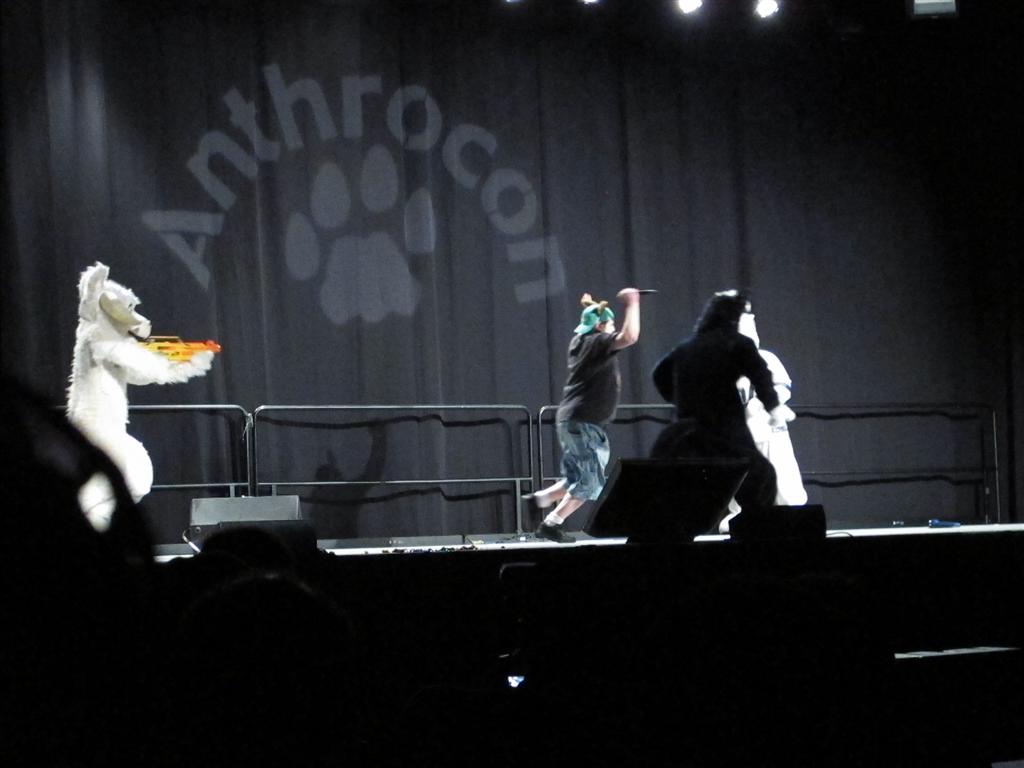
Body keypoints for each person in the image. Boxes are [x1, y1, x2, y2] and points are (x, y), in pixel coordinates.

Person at [650, 291, 794, 529]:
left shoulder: (686, 347)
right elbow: (760, 375)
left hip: (687, 429)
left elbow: (659, 374)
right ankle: (756, 531)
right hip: (723, 426)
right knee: (761, 476)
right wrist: (774, 407)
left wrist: (681, 399)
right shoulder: (736, 343)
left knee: (682, 479)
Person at [528, 288, 642, 543]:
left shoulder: (581, 342)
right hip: (584, 423)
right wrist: (632, 303)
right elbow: (630, 336)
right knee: (590, 483)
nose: (613, 329)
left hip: (575, 421)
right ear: (600, 326)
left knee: (577, 477)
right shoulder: (596, 342)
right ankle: (551, 523)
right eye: (610, 324)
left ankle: (540, 499)